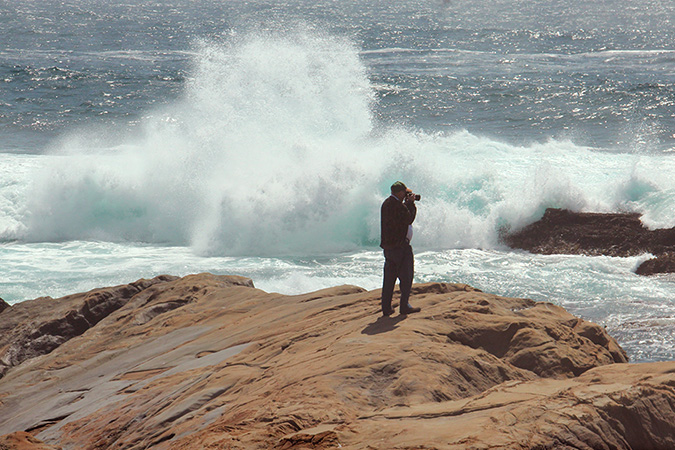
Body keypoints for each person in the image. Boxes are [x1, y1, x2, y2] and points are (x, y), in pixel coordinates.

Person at [380, 181, 421, 316]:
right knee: (406, 277)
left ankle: (386, 308)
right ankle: (404, 306)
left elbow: (399, 218)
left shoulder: (387, 204)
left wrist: (406, 204)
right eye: (405, 193)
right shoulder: (398, 206)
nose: (406, 195)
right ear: (399, 192)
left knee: (389, 279)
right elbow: (408, 219)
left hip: (389, 248)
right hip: (400, 247)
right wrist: (410, 204)